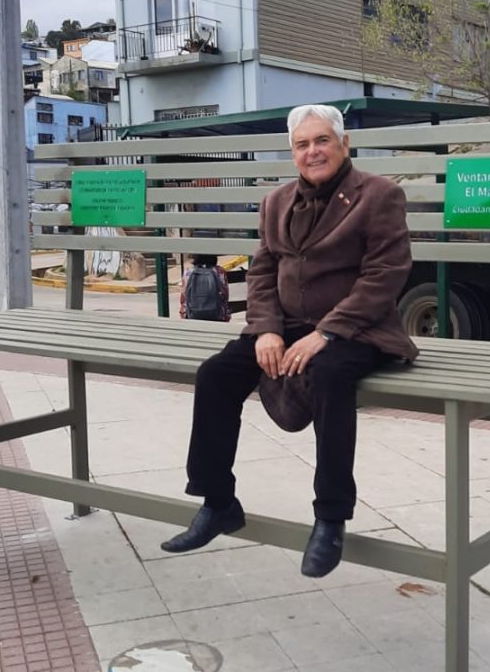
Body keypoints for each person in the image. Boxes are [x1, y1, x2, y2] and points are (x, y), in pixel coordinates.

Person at [160, 104, 419, 577]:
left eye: (322, 141)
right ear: (292, 153)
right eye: (302, 145)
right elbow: (262, 271)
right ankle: (218, 502)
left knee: (329, 373)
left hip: (358, 328)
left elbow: (385, 275)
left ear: (344, 145)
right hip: (287, 326)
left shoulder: (379, 195)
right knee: (216, 375)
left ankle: (330, 517)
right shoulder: (276, 201)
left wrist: (326, 333)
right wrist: (267, 329)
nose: (312, 151)